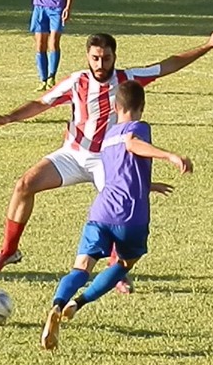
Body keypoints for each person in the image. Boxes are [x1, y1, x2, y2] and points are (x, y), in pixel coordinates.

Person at [0, 28, 213, 279]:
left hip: (108, 160)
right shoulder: (76, 81)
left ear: (114, 57)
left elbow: (167, 65)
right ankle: (9, 251)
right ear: (88, 56)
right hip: (73, 154)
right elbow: (42, 103)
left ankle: (116, 270)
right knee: (24, 184)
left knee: (116, 209)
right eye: (95, 58)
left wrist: (207, 46)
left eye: (106, 58)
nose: (100, 64)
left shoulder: (127, 79)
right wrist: (9, 117)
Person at [41, 80, 192, 349]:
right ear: (142, 107)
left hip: (101, 210)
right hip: (130, 215)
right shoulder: (139, 127)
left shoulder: (109, 136)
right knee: (123, 264)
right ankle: (79, 303)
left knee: (81, 267)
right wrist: (169, 156)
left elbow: (121, 171)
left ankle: (58, 304)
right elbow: (133, 144)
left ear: (114, 106)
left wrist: (149, 185)